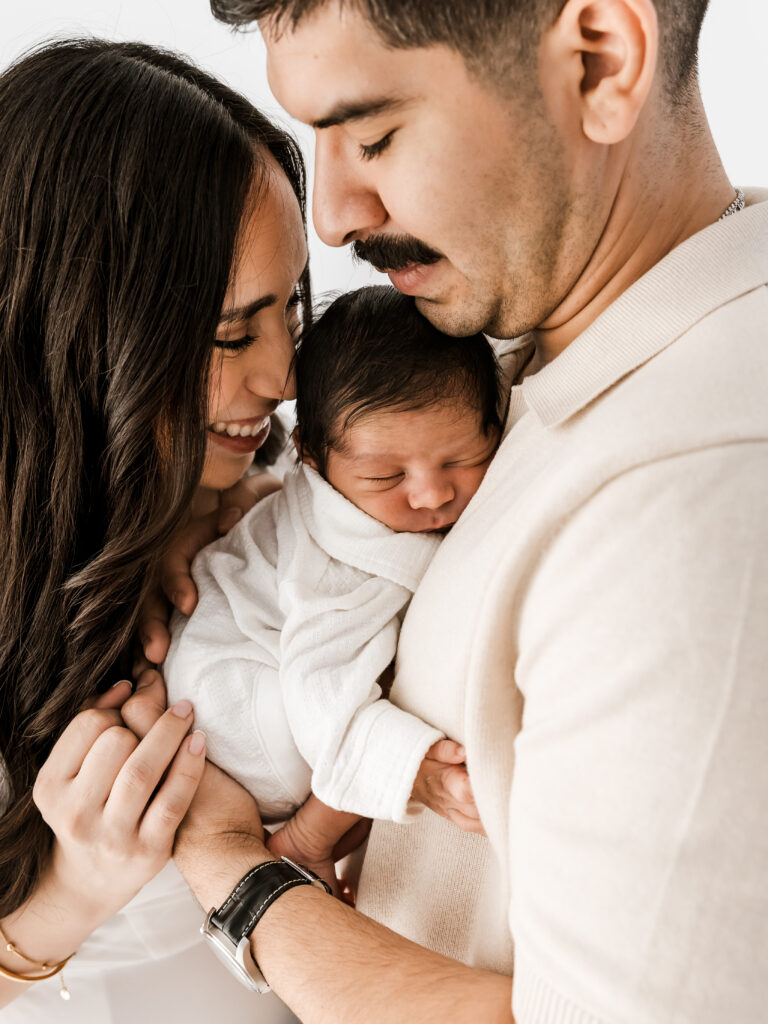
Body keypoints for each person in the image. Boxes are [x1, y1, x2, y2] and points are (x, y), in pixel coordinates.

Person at [157, 0, 766, 1021]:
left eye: (372, 134)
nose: (331, 215)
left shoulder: (695, 502)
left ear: (599, 62)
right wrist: (219, 517)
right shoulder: (544, 352)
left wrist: (238, 874)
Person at [0, 38, 311, 1023]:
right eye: (231, 333)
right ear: (87, 332)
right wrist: (69, 893)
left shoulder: (274, 510)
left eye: (292, 312)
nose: (284, 377)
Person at [165, 286, 502, 882]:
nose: (432, 494)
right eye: (386, 476)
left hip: (247, 691)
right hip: (237, 712)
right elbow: (319, 696)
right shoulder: (336, 566)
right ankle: (304, 838)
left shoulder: (341, 495)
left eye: (462, 459)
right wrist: (416, 770)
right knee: (388, 693)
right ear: (312, 460)